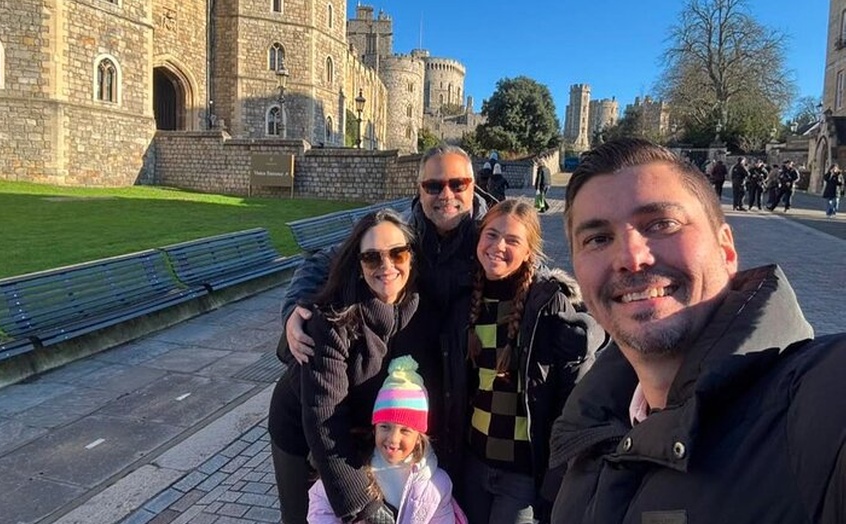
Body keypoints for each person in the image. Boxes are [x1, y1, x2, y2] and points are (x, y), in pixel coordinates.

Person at [548, 138, 846, 523]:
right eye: (598, 239)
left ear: (726, 250)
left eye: (661, 224)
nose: (631, 257)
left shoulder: (818, 408)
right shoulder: (589, 425)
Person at [280, 144, 492, 481]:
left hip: (445, 408)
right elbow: (323, 261)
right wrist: (296, 306)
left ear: (474, 184)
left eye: (458, 184)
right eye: (433, 186)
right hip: (360, 416)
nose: (446, 194)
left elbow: (532, 273)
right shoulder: (401, 235)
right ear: (419, 189)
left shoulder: (491, 238)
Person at [268, 209, 441, 524]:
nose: (387, 266)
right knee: (302, 516)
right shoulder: (333, 322)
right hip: (303, 424)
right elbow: (324, 419)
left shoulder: (420, 309)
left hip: (367, 431)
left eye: (398, 254)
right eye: (372, 258)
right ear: (359, 267)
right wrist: (363, 508)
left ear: (412, 258)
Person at [462, 200, 607, 524]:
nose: (498, 246)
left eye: (512, 241)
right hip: (473, 463)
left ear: (529, 251)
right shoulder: (466, 295)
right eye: (491, 234)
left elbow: (569, 398)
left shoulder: (546, 302)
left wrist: (554, 481)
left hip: (523, 475)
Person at [308, 356, 468, 524]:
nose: (393, 438)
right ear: (374, 428)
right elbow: (321, 502)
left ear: (419, 437)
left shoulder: (437, 485)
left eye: (405, 430)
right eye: (385, 426)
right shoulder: (352, 465)